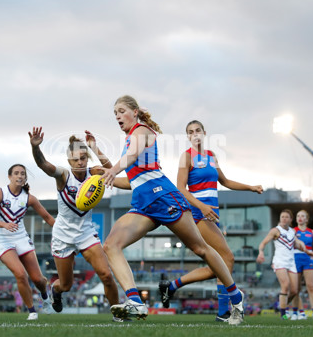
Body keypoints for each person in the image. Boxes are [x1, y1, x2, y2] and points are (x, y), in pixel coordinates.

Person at [100, 95, 245, 325]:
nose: (117, 116)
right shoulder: (130, 138)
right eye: (114, 113)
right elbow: (130, 179)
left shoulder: (141, 130)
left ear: (135, 112)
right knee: (110, 245)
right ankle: (135, 302)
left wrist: (113, 170)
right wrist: (96, 152)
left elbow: (130, 156)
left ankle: (236, 297)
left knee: (201, 249)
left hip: (164, 197)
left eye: (121, 111)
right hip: (143, 205)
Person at [159, 120, 263, 322]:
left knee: (217, 265)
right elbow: (180, 188)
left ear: (204, 133)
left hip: (209, 216)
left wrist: (250, 187)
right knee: (227, 258)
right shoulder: (186, 156)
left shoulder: (211, 156)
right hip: (197, 215)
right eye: (190, 132)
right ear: (188, 137)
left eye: (197, 130)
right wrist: (202, 206)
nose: (194, 134)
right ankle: (223, 312)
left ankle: (171, 286)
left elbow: (224, 181)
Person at [29, 127, 130, 322]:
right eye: (75, 159)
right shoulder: (63, 176)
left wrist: (95, 148)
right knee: (65, 285)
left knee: (106, 275)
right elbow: (43, 165)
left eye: (83, 157)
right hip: (63, 236)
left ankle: (118, 314)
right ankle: (55, 291)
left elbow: (113, 170)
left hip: (86, 233)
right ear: (69, 161)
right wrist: (35, 148)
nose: (80, 161)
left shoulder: (95, 173)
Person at [0, 164, 56, 320]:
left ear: (25, 178)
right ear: (10, 176)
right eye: (16, 173)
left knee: (38, 279)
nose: (19, 176)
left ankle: (45, 297)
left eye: (22, 174)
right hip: (3, 240)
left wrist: (62, 230)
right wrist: (5, 224)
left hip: (21, 238)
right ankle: (32, 311)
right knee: (20, 274)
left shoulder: (29, 198)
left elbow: (47, 218)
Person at [256, 209, 313, 320]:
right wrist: (261, 252)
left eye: (286, 217)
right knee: (285, 285)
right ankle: (283, 314)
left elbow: (298, 244)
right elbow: (263, 243)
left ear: (290, 219)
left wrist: (308, 252)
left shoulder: (292, 231)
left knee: (294, 290)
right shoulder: (275, 230)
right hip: (279, 261)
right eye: (282, 216)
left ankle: (282, 305)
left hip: (291, 262)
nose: (284, 219)